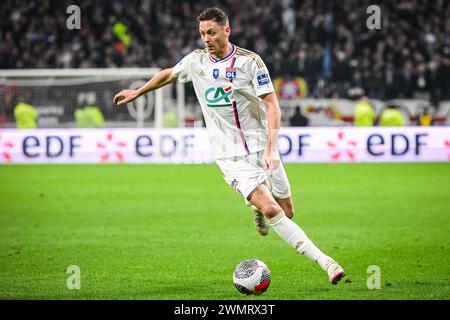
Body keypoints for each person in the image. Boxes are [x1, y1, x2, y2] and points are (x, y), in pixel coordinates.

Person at [113, 7, 344, 284]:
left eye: (211, 32)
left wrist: (271, 148)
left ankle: (256, 207)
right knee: (274, 210)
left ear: (227, 30)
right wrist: (137, 92)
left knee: (288, 211)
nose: (206, 38)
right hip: (229, 155)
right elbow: (169, 74)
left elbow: (272, 104)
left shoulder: (250, 62)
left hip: (261, 148)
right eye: (202, 33)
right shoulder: (195, 61)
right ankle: (327, 262)